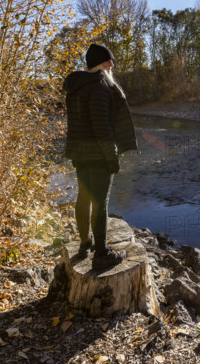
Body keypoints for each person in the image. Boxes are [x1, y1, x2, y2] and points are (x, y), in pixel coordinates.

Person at [63, 43, 138, 271]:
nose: (112, 65)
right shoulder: (100, 85)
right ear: (102, 64)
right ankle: (102, 254)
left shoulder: (77, 85)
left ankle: (86, 245)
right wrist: (112, 157)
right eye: (109, 61)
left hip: (80, 152)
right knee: (101, 202)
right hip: (97, 155)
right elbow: (101, 126)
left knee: (83, 197)